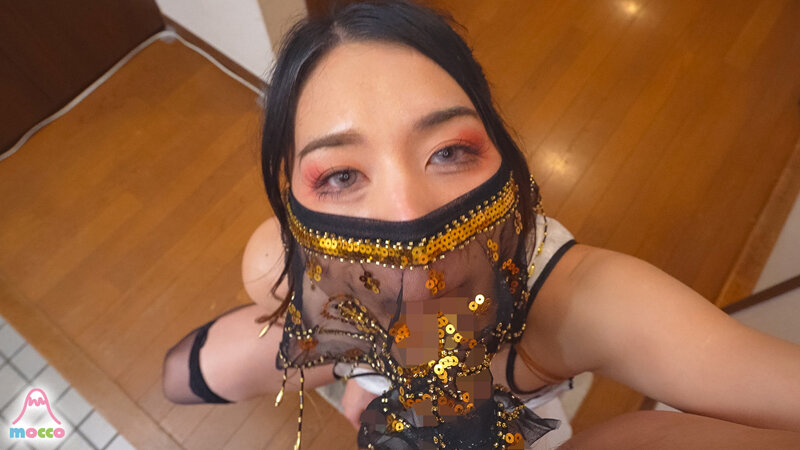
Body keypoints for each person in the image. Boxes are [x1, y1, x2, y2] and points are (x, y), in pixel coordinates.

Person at [162, 1, 800, 448]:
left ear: (502, 154)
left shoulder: (585, 303)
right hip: (360, 347)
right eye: (342, 175)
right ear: (296, 204)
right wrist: (359, 362)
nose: (408, 216)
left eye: (448, 152)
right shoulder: (276, 263)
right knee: (183, 375)